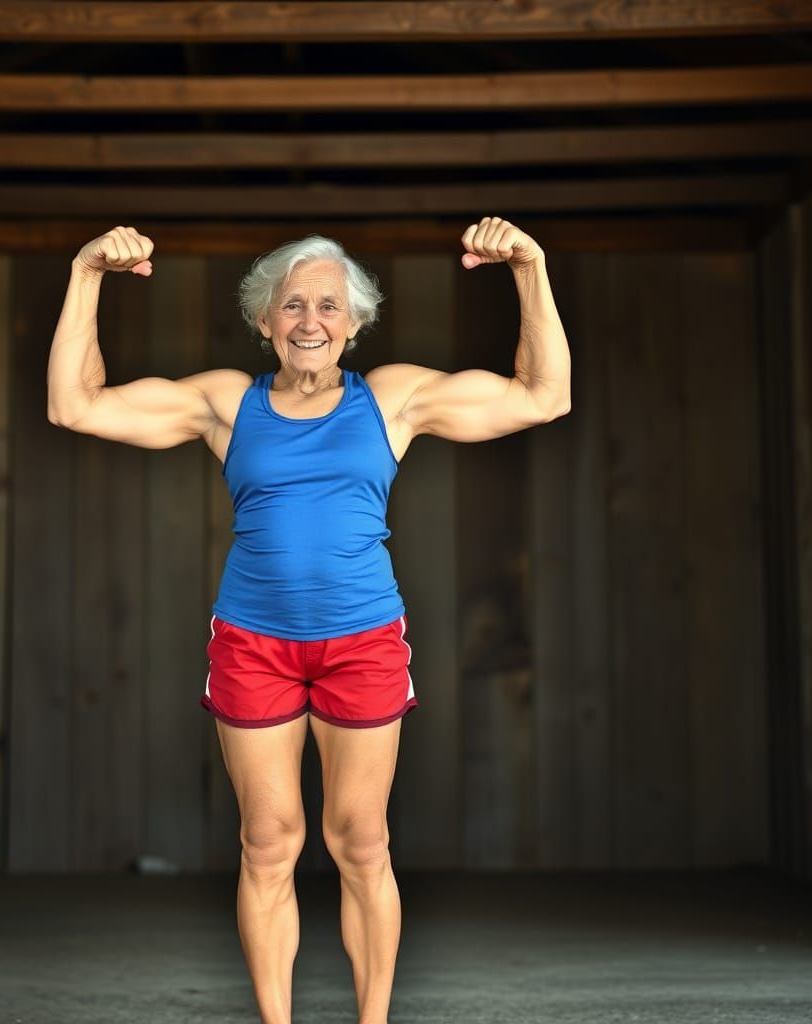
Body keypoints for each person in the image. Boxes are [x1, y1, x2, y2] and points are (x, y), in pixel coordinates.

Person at [46, 217, 571, 1024]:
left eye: (329, 305)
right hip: (253, 642)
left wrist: (529, 268)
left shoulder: (391, 398)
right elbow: (75, 407)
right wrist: (86, 275)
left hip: (362, 640)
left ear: (354, 323)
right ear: (265, 321)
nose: (310, 321)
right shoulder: (227, 404)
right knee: (268, 843)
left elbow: (544, 396)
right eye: (293, 305)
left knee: (362, 843)